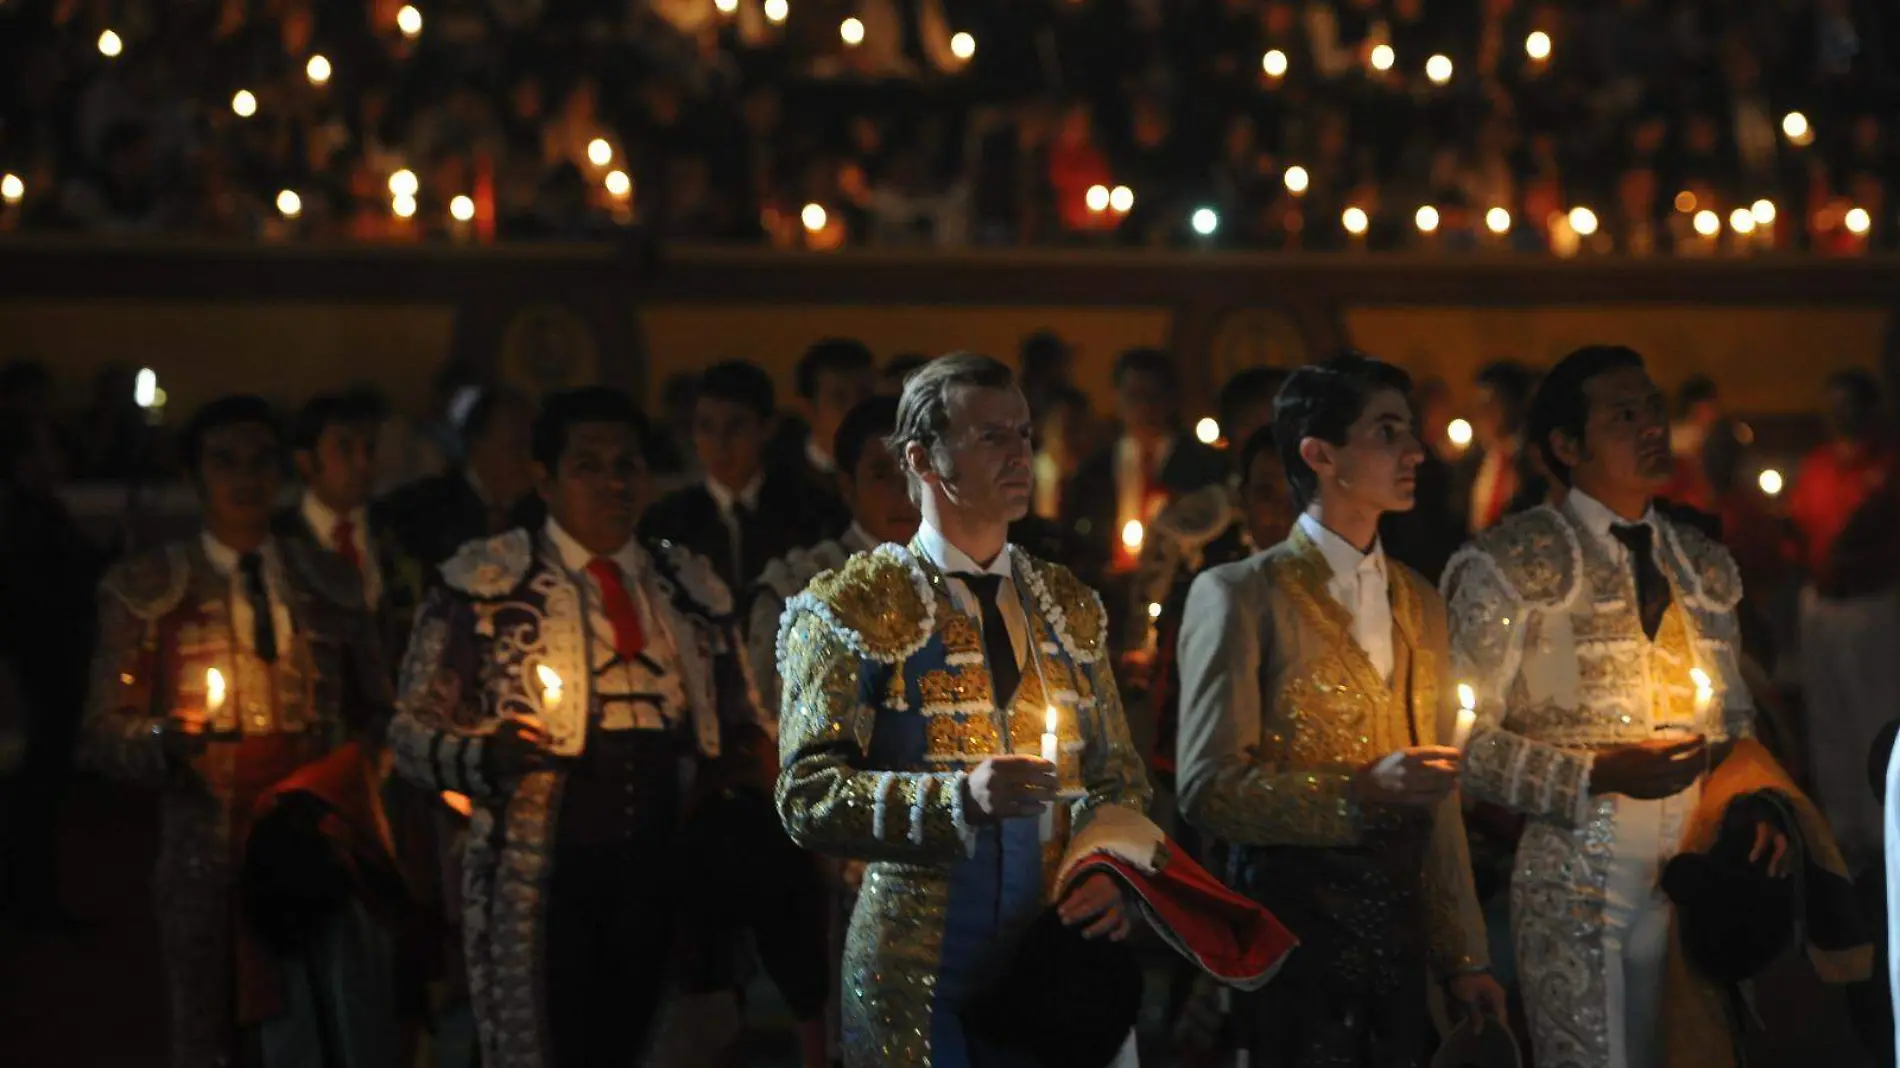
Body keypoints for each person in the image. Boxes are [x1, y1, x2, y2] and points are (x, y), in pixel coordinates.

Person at [1442, 346, 1829, 1068]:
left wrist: (1753, 807)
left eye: (1653, 407)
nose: (1651, 425)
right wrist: (1593, 776)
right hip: (1573, 874)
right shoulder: (1509, 561)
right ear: (1565, 445)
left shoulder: (1700, 562)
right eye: (1624, 414)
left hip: (1695, 869)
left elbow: (1736, 728)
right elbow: (1458, 743)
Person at [775, 353, 1151, 1067]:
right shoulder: (847, 606)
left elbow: (1118, 779)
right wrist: (957, 801)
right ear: (921, 458)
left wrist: (1110, 872)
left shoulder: (1068, 605)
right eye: (991, 437)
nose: (1020, 455)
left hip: (1053, 962)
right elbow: (805, 796)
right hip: (914, 971)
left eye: (1024, 434)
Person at [390, 387, 771, 1067]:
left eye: (627, 465)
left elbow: (744, 721)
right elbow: (412, 735)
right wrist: (485, 757)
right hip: (532, 882)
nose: (614, 483)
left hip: (664, 877)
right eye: (588, 466)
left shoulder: (688, 586)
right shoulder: (484, 583)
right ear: (545, 477)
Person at [1175, 353, 1505, 1067]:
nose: (1415, 451)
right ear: (1320, 455)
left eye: (1410, 431)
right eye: (1387, 432)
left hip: (1402, 941)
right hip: (1290, 940)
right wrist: (1354, 793)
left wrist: (1465, 955)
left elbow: (1438, 796)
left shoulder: (1418, 599)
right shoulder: (1240, 594)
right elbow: (1205, 790)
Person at [79, 395, 397, 1067]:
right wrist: (165, 740)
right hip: (205, 845)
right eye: (225, 461)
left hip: (318, 837)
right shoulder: (143, 585)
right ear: (195, 477)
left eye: (260, 461)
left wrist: (353, 782)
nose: (246, 477)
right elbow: (104, 733)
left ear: (283, 473)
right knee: (207, 1031)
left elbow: (380, 711)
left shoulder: (331, 580)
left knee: (325, 1022)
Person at [748, 396, 921, 714]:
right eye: (882, 474)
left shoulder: (958, 579)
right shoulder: (799, 587)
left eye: (914, 469)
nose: (904, 490)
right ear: (848, 487)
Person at [641, 360, 834, 592]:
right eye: (706, 427)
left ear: (767, 428)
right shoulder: (666, 521)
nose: (720, 444)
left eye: (736, 427)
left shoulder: (811, 512)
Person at [1133, 366, 1288, 646]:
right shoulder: (1202, 517)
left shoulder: (1327, 511)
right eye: (1253, 422)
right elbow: (1153, 608)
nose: (1272, 435)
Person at [1063, 346, 1227, 590]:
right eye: (1134, 396)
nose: (1144, 407)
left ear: (1171, 400)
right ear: (1117, 398)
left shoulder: (1203, 465)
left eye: (1153, 396)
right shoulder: (1094, 471)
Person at [277, 392, 425, 659]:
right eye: (345, 449)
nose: (362, 464)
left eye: (368, 449)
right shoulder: (279, 541)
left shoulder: (399, 530)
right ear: (307, 461)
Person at [379, 387, 543, 571]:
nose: (529, 460)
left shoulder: (541, 514)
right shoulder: (421, 509)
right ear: (477, 444)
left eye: (535, 447)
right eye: (516, 446)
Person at [786, 338, 879, 531]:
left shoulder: (896, 468)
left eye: (864, 394)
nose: (855, 408)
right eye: (839, 398)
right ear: (808, 408)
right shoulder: (784, 480)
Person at [1465, 360, 1538, 533]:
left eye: (1490, 404)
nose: (1480, 415)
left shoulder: (1533, 463)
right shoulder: (1473, 463)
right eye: (1478, 406)